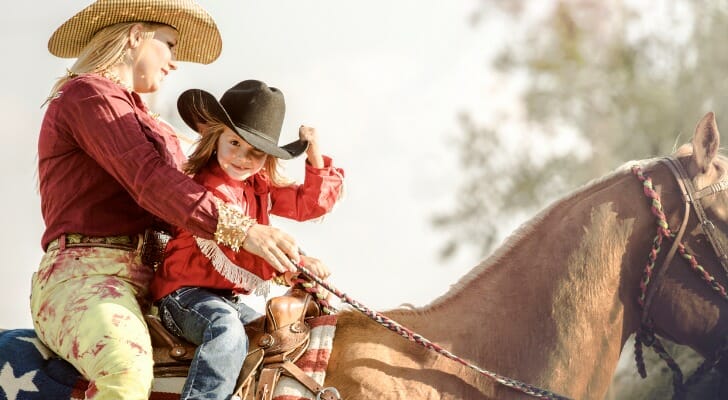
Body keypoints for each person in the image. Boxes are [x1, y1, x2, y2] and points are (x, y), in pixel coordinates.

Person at [31, 2, 307, 399]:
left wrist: (286, 259)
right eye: (170, 45)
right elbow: (152, 182)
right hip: (86, 278)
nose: (174, 63)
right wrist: (242, 229)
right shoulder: (89, 96)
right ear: (135, 36)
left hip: (155, 286)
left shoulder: (148, 121)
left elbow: (198, 198)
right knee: (126, 373)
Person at [149, 79, 344, 399]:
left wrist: (315, 157)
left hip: (226, 299)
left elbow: (306, 204)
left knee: (273, 338)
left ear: (267, 158)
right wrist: (295, 265)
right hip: (184, 296)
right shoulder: (209, 187)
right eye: (234, 144)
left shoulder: (258, 186)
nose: (242, 158)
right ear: (215, 139)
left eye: (255, 152)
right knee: (226, 334)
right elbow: (235, 249)